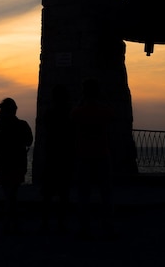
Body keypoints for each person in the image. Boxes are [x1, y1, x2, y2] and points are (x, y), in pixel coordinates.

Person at [71, 79, 115, 238]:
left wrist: (80, 102)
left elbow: (73, 117)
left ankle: (84, 227)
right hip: (102, 154)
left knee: (83, 194)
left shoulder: (78, 112)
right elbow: (112, 115)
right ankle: (108, 226)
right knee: (106, 194)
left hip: (83, 155)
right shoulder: (104, 111)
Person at [0, 98, 33, 234]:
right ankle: (13, 223)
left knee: (9, 194)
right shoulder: (22, 125)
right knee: (13, 194)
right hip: (18, 163)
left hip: (3, 163)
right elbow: (29, 140)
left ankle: (9, 223)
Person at [40, 85, 75, 233]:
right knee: (63, 193)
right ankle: (61, 223)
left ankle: (46, 224)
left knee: (48, 194)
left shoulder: (49, 113)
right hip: (63, 155)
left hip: (52, 154)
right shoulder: (69, 113)